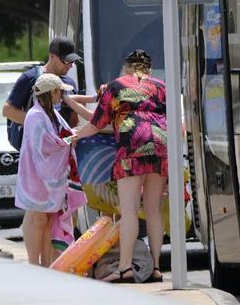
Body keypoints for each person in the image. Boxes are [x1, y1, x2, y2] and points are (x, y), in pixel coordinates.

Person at [72, 49, 169, 283]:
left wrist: (75, 137)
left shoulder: (115, 87)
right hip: (159, 144)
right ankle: (156, 267)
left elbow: (96, 124)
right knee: (154, 210)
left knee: (129, 211)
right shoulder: (161, 86)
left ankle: (125, 268)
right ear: (149, 69)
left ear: (126, 68)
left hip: (131, 146)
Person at [15, 73, 75, 267]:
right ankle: (34, 263)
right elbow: (46, 145)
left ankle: (45, 263)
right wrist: (69, 140)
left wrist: (70, 138)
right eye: (60, 92)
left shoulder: (52, 114)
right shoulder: (35, 116)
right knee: (37, 218)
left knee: (48, 219)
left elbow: (60, 137)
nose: (61, 96)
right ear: (53, 92)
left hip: (49, 178)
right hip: (35, 177)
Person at [2, 38, 89, 151]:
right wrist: (42, 124)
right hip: (35, 151)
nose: (70, 66)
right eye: (66, 61)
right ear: (51, 56)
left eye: (72, 61)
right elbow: (7, 111)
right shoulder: (30, 78)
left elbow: (73, 120)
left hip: (60, 150)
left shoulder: (69, 83)